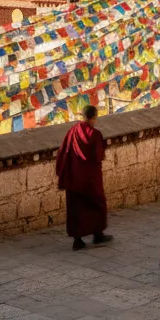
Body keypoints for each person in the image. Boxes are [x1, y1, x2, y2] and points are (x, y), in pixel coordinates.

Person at [55, 105, 112, 252]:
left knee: (76, 208)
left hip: (74, 177)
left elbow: (64, 151)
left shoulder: (73, 132)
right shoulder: (95, 134)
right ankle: (98, 235)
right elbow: (98, 156)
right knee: (97, 204)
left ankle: (78, 240)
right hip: (90, 179)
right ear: (93, 117)